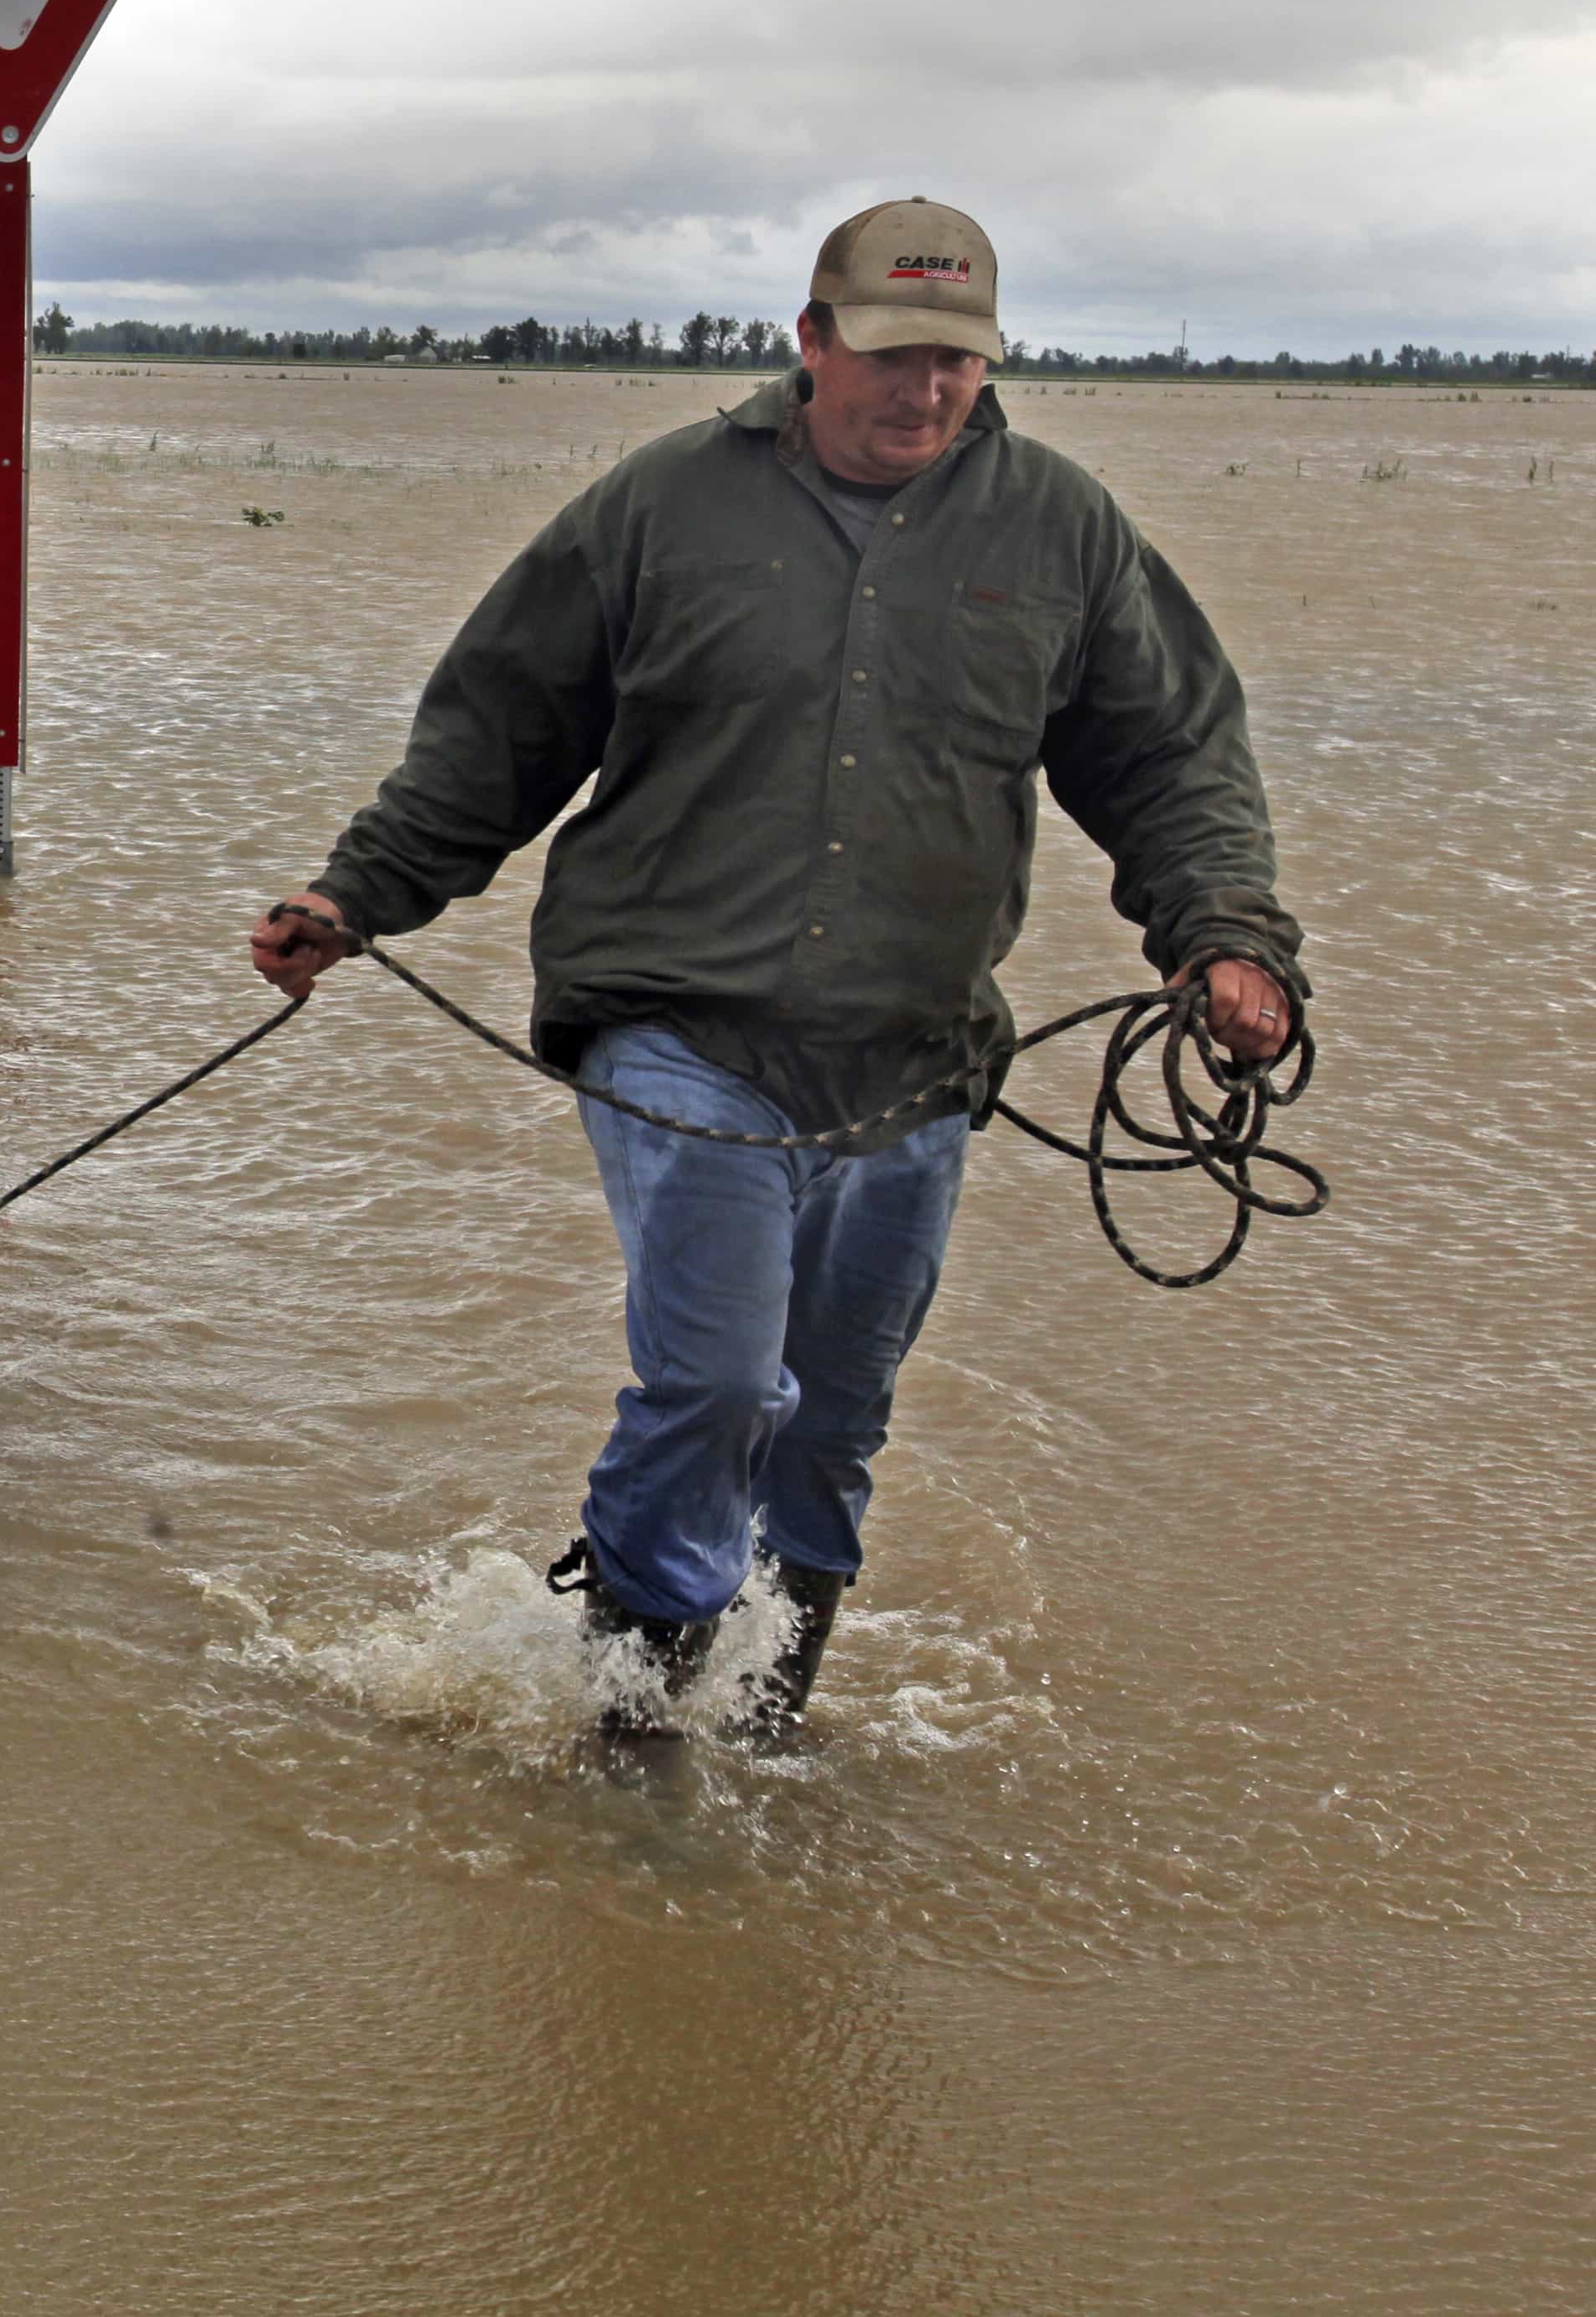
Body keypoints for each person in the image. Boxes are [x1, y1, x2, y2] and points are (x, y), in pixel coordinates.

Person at [246, 200, 1302, 1744]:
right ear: (809, 339)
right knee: (727, 1380)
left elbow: (1172, 758)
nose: (923, 390)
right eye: (888, 353)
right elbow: (500, 729)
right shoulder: (662, 503)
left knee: (834, 1420)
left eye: (956, 358)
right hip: (677, 1026)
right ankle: (628, 1716)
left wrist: (1227, 935)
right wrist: (358, 893)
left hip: (917, 1054)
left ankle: (761, 1721)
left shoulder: (1062, 529)